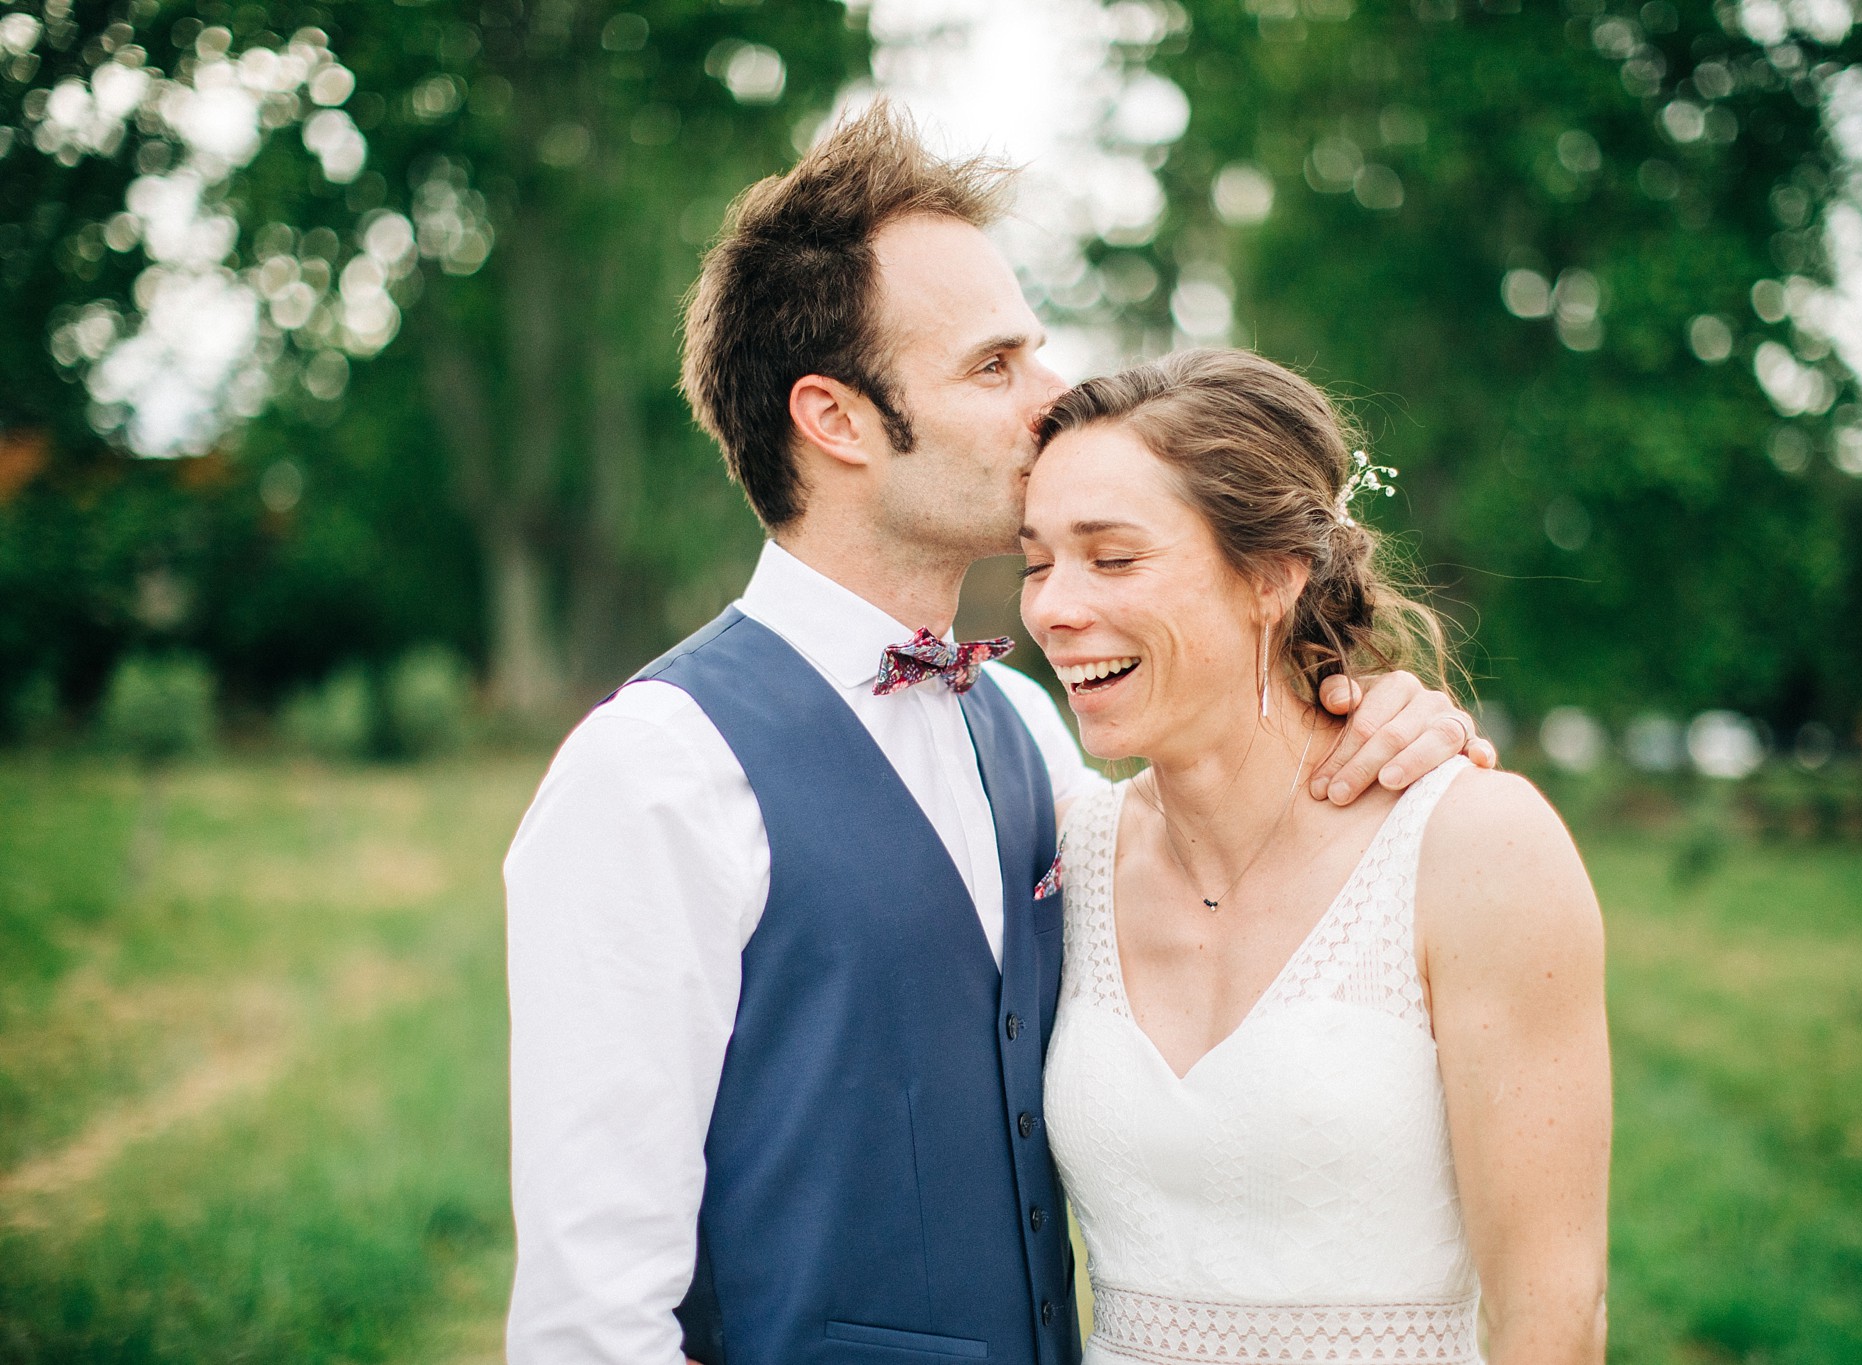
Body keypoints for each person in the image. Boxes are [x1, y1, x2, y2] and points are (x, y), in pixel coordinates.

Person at [502, 106, 1494, 1365]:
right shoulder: (652, 773)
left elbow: (1236, 863)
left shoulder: (1028, 724)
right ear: (837, 420)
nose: (1052, 400)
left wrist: (1380, 722)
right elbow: (589, 1317)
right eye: (992, 367)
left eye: (1038, 353)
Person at [1021, 350, 1611, 1365]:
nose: (1051, 609)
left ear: (1272, 577)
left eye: (1111, 558)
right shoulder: (1056, 854)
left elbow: (1549, 1315)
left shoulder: (1471, 848)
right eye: (1034, 562)